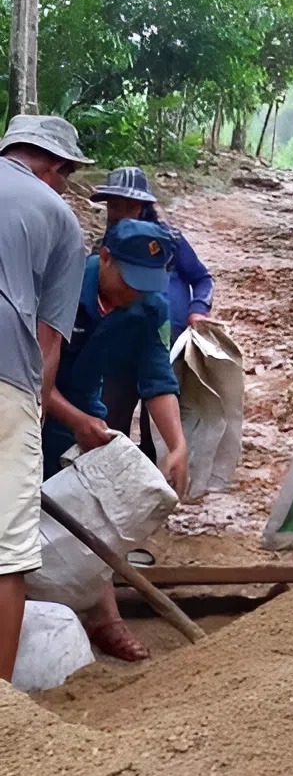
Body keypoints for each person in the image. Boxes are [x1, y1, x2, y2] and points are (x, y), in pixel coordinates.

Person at [43, 218, 189, 663]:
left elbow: (156, 378)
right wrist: (72, 418)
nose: (135, 292)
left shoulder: (149, 306)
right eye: (129, 280)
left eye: (146, 284)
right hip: (22, 397)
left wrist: (177, 445)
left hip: (83, 405)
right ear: (104, 257)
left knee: (95, 506)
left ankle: (104, 618)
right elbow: (27, 370)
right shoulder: (59, 283)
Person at [0, 115, 92, 684]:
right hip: (6, 374)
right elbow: (47, 342)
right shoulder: (59, 218)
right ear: (55, 167)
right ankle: (4, 707)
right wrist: (34, 411)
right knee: (6, 552)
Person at [92, 167, 216, 462]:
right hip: (117, 349)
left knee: (159, 425)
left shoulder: (170, 243)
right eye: (114, 205)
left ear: (142, 207)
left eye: (129, 206)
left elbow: (202, 279)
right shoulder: (103, 251)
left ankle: (159, 470)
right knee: (110, 421)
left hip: (165, 342)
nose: (120, 214)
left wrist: (197, 310)